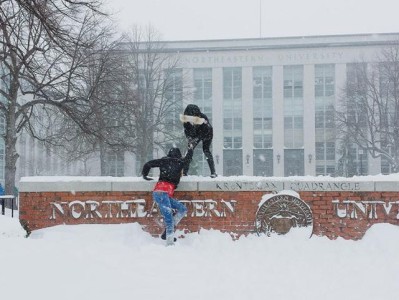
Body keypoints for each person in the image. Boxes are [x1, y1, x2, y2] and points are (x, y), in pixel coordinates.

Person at [142, 146, 193, 246]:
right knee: (169, 218)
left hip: (162, 193)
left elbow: (148, 164)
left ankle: (167, 233)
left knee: (182, 209)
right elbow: (188, 159)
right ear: (178, 155)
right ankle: (169, 242)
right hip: (161, 193)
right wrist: (190, 149)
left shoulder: (164, 161)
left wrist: (145, 174)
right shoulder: (180, 163)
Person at [180, 104, 217, 178]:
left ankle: (213, 172)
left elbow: (205, 130)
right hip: (194, 134)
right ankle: (185, 172)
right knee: (189, 150)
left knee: (206, 150)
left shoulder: (203, 118)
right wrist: (190, 139)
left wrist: (197, 138)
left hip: (207, 133)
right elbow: (186, 130)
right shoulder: (186, 120)